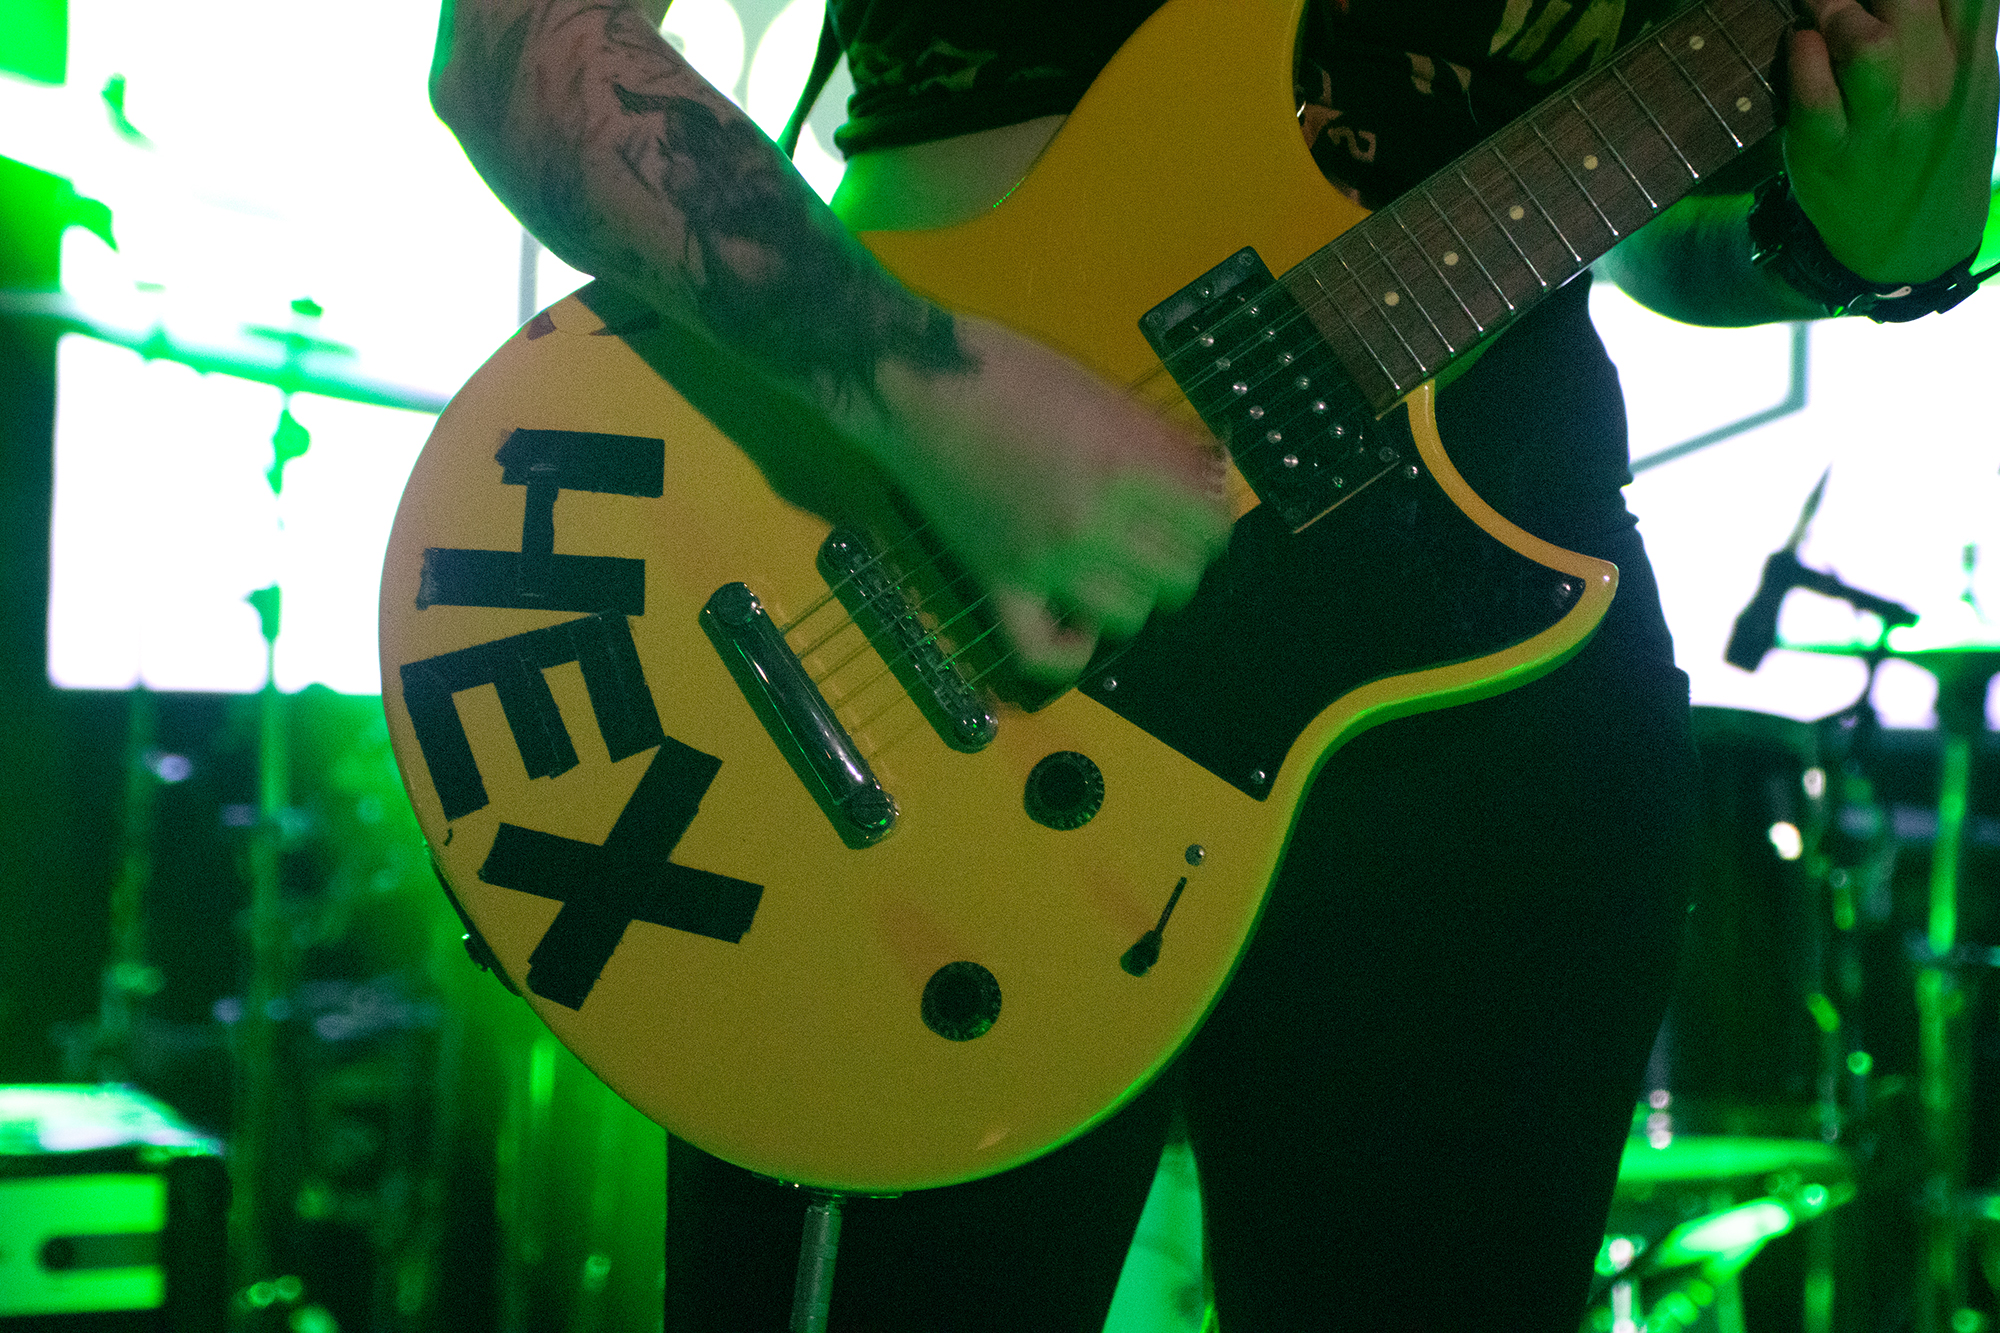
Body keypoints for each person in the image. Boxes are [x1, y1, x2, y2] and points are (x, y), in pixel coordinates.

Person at [426, 0, 1999, 1327]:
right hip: (907, 574)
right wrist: (926, 389)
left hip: (1494, 674)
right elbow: (516, 46)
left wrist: (1862, 236)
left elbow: (1646, 215)